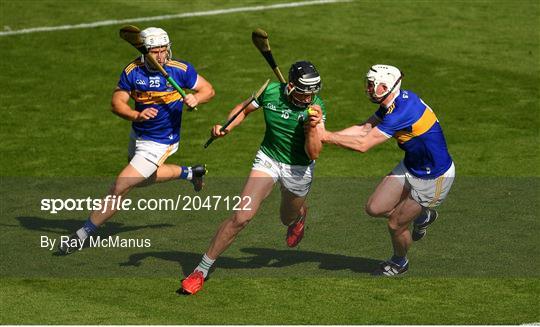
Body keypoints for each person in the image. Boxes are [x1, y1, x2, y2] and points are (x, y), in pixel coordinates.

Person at [58, 27, 215, 254]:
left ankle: (83, 234)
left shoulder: (180, 70)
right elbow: (117, 103)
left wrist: (195, 97)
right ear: (145, 51)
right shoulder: (133, 71)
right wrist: (136, 115)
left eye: (163, 50)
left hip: (161, 140)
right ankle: (191, 173)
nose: (161, 56)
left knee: (121, 185)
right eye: (155, 51)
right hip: (138, 134)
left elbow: (208, 90)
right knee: (143, 180)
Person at [181, 61, 325, 294]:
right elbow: (244, 109)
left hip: (298, 168)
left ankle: (298, 216)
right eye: (303, 91)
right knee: (241, 216)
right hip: (268, 158)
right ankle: (201, 270)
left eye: (312, 92)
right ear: (289, 86)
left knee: (286, 218)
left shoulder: (316, 109)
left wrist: (311, 127)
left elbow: (314, 153)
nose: (308, 98)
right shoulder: (270, 92)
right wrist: (227, 127)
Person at [320, 64, 455, 276]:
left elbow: (364, 144)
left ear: (386, 86)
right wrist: (327, 136)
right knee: (374, 208)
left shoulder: (402, 112)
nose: (368, 89)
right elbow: (365, 128)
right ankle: (422, 215)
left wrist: (326, 136)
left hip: (434, 177)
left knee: (395, 225)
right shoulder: (391, 102)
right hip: (411, 166)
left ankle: (400, 262)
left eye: (372, 85)